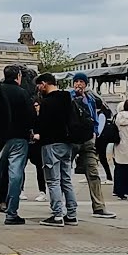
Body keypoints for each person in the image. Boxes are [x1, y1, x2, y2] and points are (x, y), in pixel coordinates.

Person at [0, 66, 35, 225]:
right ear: (18, 76)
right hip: (18, 137)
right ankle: (11, 213)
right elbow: (30, 115)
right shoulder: (22, 92)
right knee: (15, 175)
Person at [70, 73, 117, 219]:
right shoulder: (69, 97)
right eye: (76, 81)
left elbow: (93, 117)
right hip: (72, 139)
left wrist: (95, 132)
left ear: (86, 84)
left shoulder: (90, 99)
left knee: (93, 172)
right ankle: (63, 206)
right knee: (64, 173)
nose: (78, 84)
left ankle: (99, 206)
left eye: (81, 82)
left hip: (88, 139)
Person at [35, 73, 78, 226]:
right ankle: (71, 214)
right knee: (66, 179)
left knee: (53, 180)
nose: (38, 89)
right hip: (67, 143)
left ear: (45, 83)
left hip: (51, 143)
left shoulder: (46, 102)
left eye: (39, 85)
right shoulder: (67, 98)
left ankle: (57, 215)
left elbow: (42, 125)